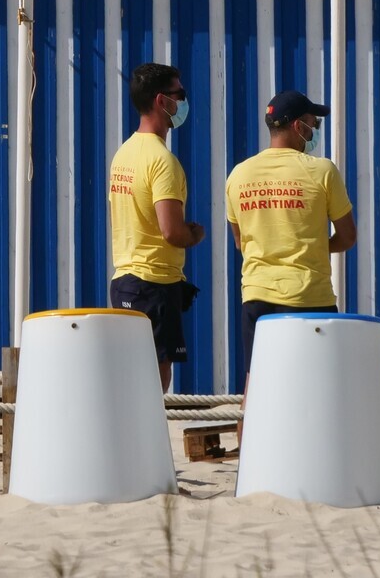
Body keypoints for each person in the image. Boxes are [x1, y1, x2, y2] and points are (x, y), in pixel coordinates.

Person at [225, 90, 355, 382]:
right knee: (315, 386)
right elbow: (347, 237)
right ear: (299, 126)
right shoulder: (321, 171)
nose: (315, 131)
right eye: (314, 124)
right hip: (309, 298)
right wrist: (312, 246)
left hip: (256, 297)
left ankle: (248, 416)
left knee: (257, 384)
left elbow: (240, 242)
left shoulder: (238, 175)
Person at [109, 61, 204, 389]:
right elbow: (171, 231)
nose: (185, 101)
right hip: (154, 285)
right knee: (156, 378)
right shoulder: (163, 162)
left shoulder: (124, 154)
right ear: (162, 101)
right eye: (181, 95)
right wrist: (195, 234)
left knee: (131, 375)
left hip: (124, 281)